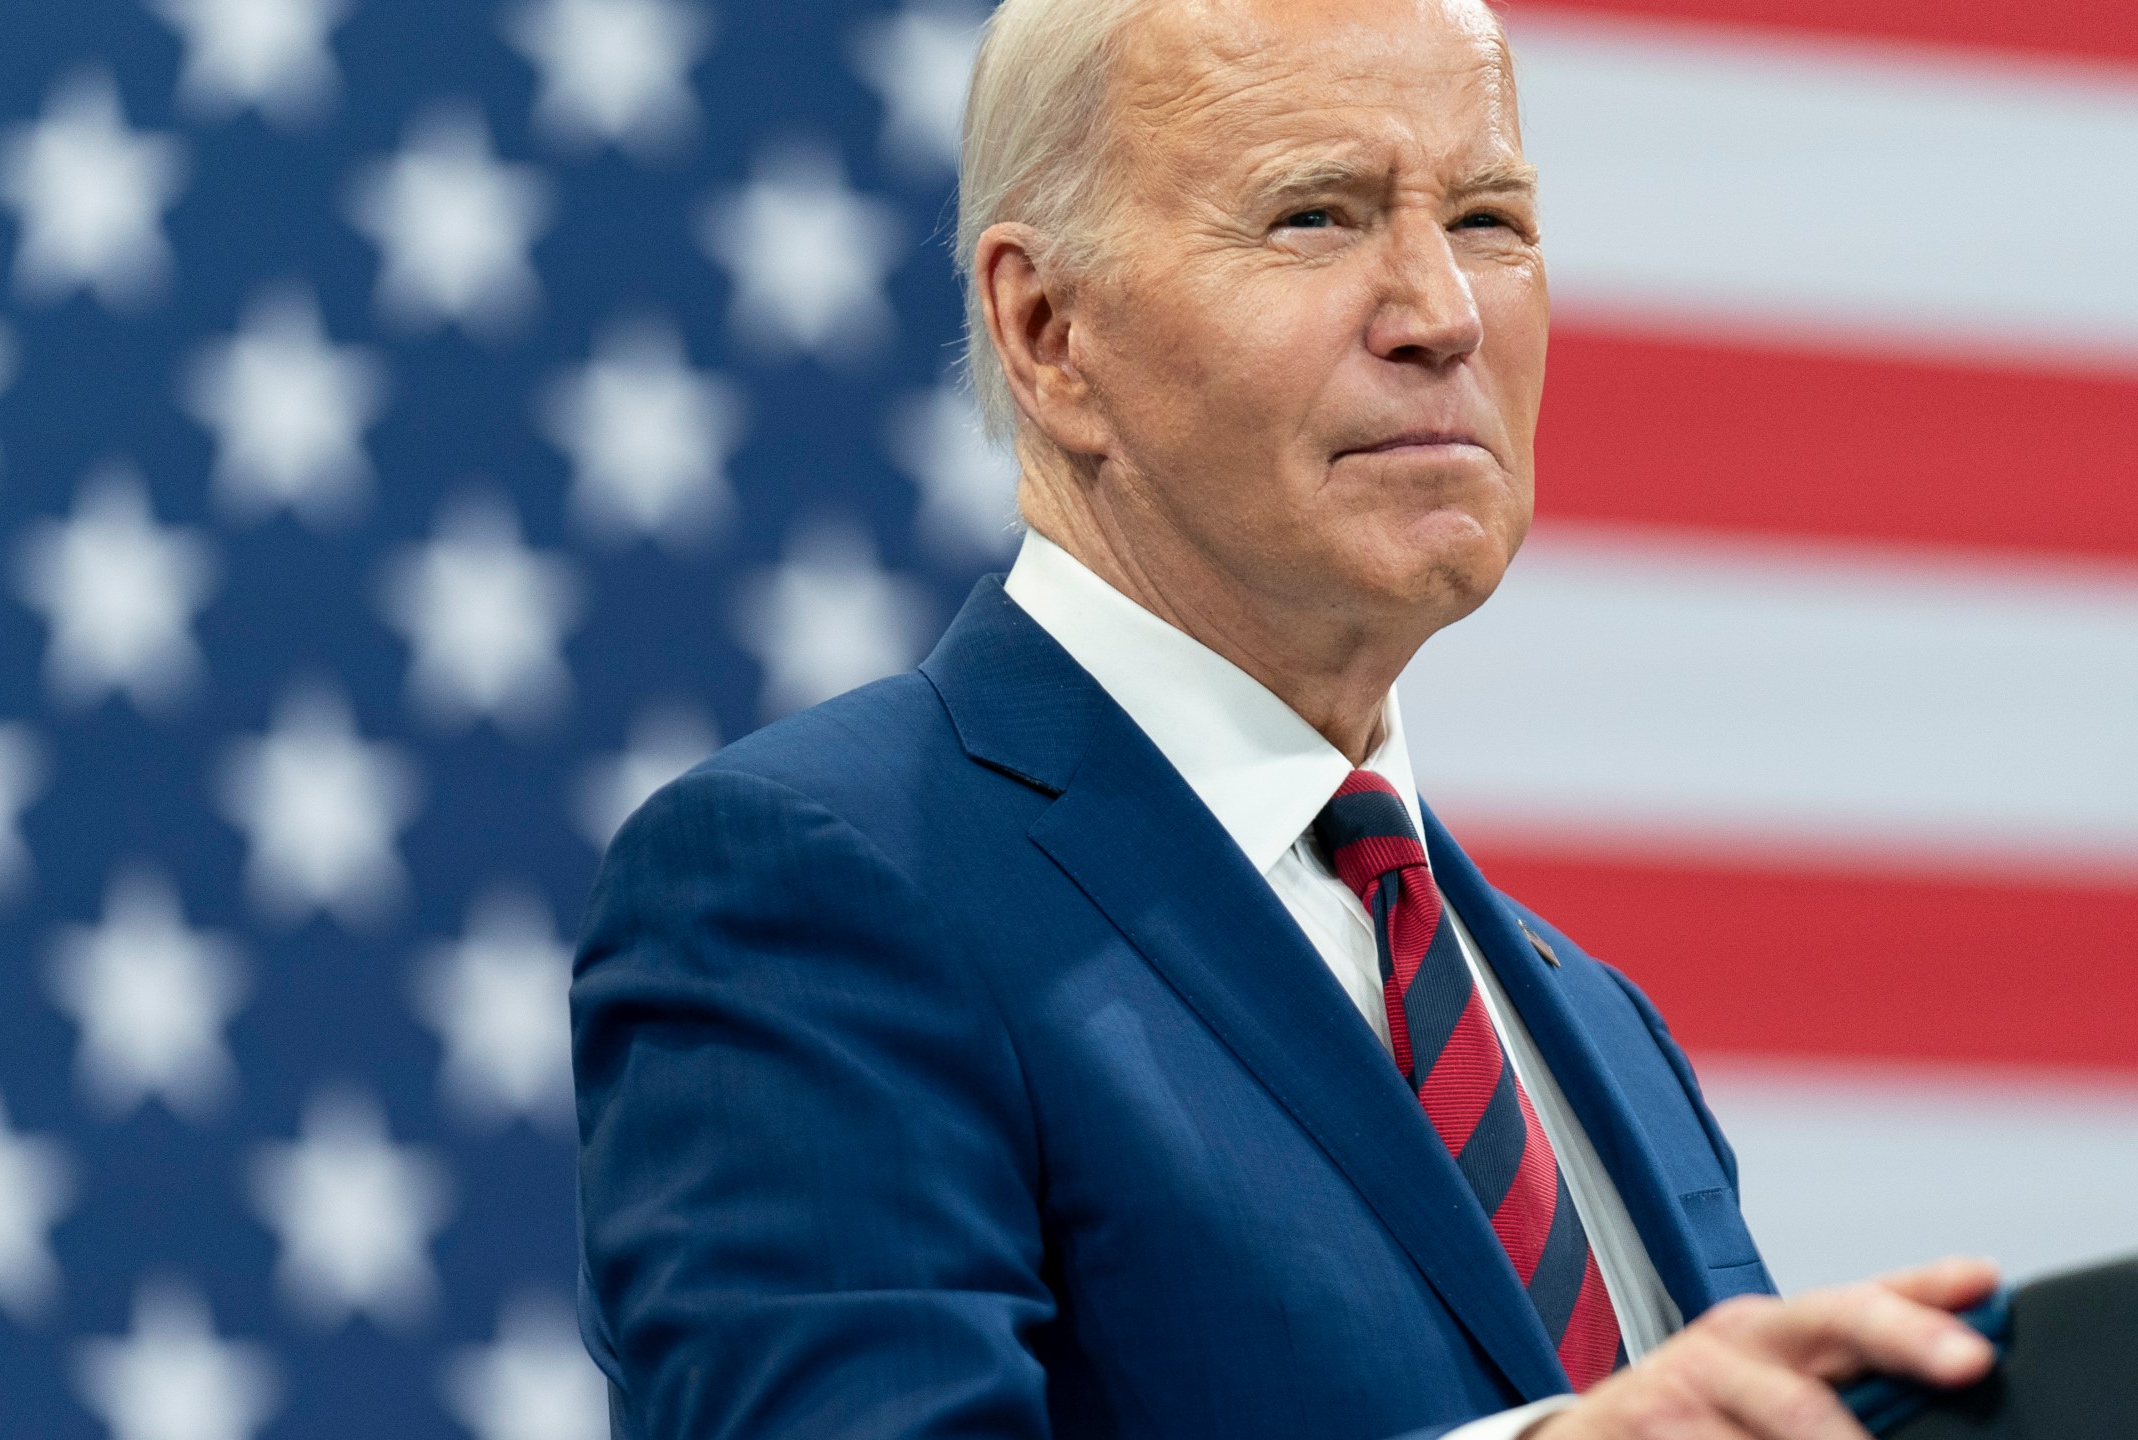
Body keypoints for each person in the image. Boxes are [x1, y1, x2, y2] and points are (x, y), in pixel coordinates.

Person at [570, 0, 2003, 1434]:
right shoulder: (815, 886)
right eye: (1316, 215)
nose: (1443, 313)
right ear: (1048, 329)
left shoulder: (1597, 1024)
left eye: (1491, 217)